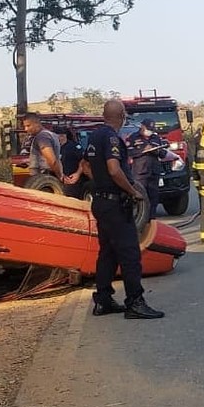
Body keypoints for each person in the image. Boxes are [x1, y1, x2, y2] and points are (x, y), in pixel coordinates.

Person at [69, 99, 164, 320]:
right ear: (121, 115)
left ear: (104, 115)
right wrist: (132, 191)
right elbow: (114, 169)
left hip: (101, 202)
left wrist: (99, 181)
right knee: (130, 254)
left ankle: (103, 300)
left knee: (108, 253)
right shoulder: (112, 137)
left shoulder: (95, 136)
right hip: (115, 204)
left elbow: (85, 165)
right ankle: (135, 302)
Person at [126, 118, 168, 219]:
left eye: (152, 129)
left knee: (153, 197)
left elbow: (163, 154)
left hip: (154, 172)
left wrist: (156, 151)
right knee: (140, 197)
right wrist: (143, 150)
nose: (150, 131)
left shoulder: (156, 138)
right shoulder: (133, 138)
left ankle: (151, 219)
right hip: (140, 172)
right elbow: (128, 152)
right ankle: (140, 219)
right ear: (142, 126)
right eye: (148, 128)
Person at [21, 113, 64, 180]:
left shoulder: (42, 137)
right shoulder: (51, 134)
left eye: (28, 126)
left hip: (44, 177)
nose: (26, 129)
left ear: (37, 123)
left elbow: (52, 160)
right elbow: (57, 159)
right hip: (48, 176)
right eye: (25, 126)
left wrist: (60, 176)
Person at [58, 128, 85, 198]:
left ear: (63, 136)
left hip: (72, 180)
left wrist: (77, 174)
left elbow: (84, 160)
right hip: (58, 180)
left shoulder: (74, 147)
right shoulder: (55, 148)